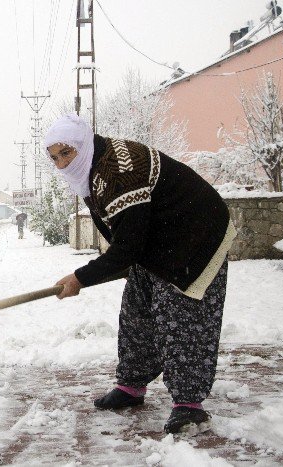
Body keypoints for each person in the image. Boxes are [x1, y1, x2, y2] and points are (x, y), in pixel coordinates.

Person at [47, 114, 236, 434]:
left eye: (67, 153)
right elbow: (121, 235)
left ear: (84, 144)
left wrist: (80, 277)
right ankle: (132, 385)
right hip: (157, 238)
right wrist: (114, 265)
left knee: (180, 318)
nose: (62, 164)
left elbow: (127, 246)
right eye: (55, 157)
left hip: (194, 236)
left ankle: (188, 403)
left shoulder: (118, 173)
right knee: (137, 310)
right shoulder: (93, 168)